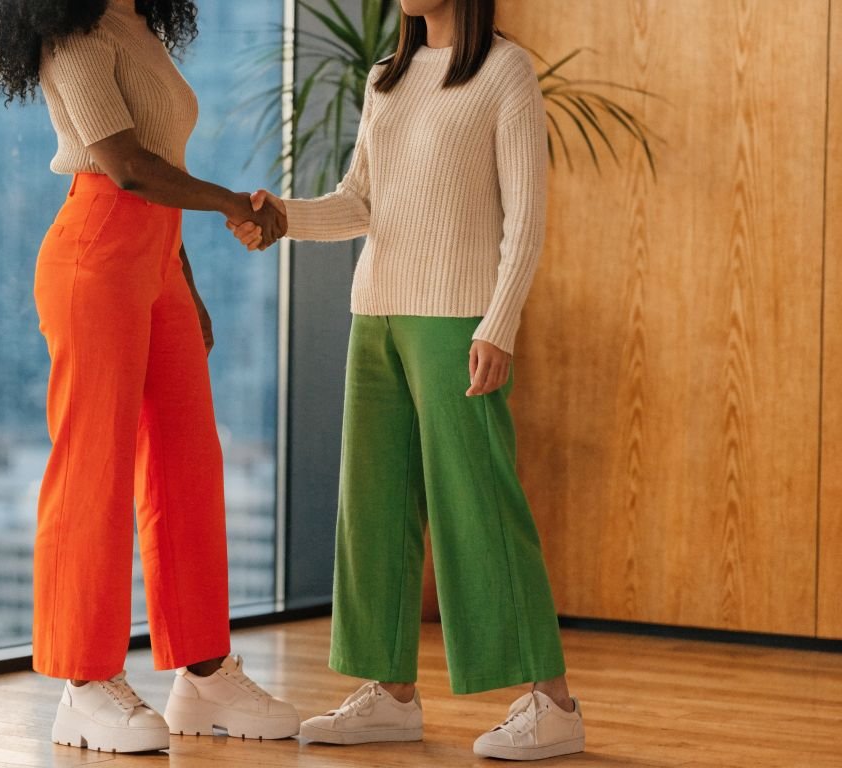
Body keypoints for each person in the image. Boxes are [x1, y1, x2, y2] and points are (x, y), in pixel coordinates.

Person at [232, 0, 584, 760]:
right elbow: (362, 201)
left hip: (457, 319)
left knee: (478, 501)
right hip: (376, 314)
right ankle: (390, 696)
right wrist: (284, 216)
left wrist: (499, 324)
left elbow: (526, 215)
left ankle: (553, 704)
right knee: (375, 505)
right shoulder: (384, 79)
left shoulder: (505, 72)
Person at [0, 0, 298, 754]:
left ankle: (204, 671)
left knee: (188, 462)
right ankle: (83, 684)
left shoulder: (136, 23)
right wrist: (231, 205)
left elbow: (160, 170)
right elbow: (125, 166)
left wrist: (186, 284)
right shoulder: (73, 32)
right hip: (95, 254)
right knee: (95, 470)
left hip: (156, 261)